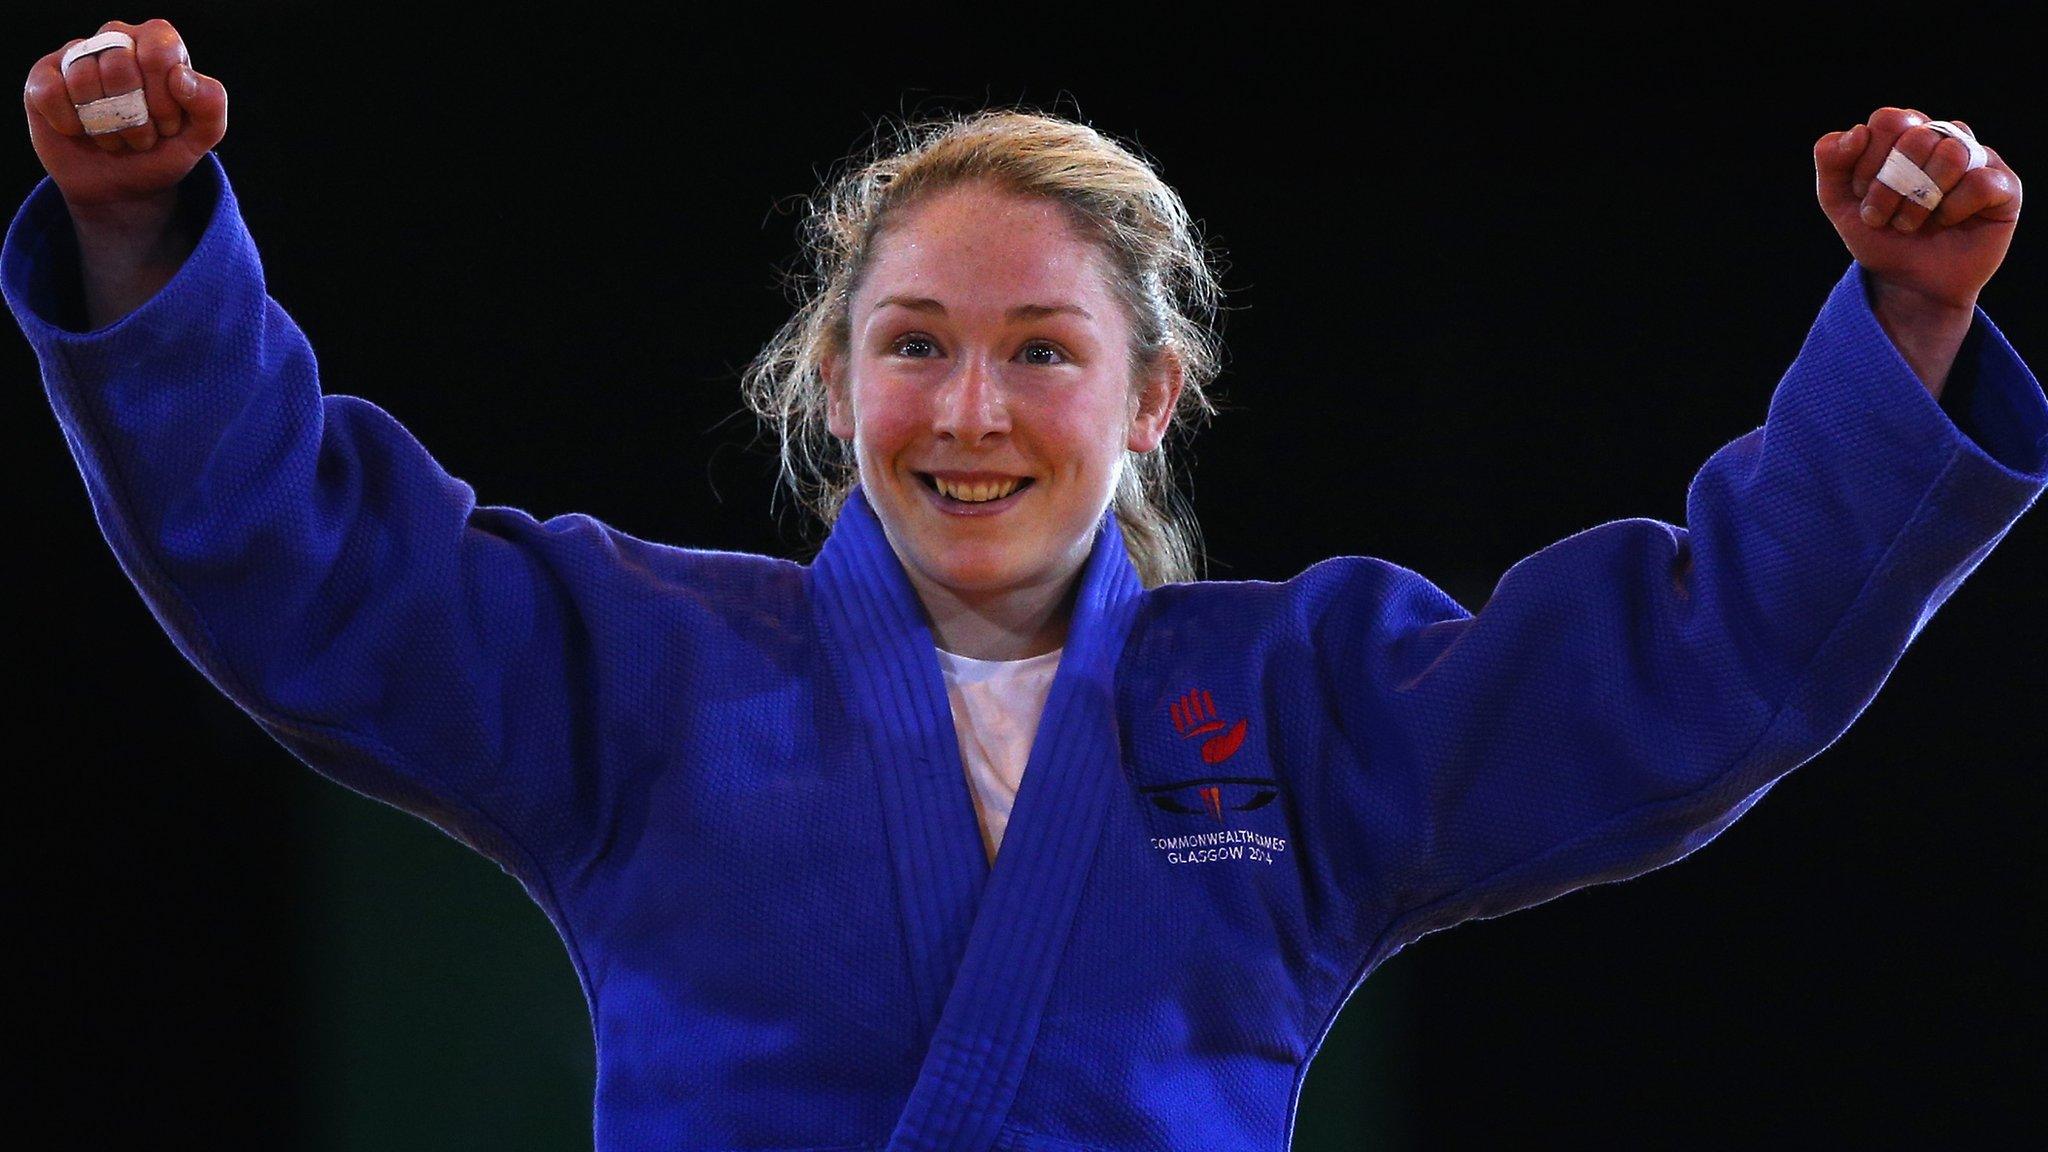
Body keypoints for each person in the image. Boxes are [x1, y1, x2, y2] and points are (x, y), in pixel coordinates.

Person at [11, 17, 2043, 1152]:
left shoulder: (1302, 710)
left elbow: (1701, 667)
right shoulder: (644, 675)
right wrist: (141, 242)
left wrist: (1903, 325)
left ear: (1150, 399)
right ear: (832, 379)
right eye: (909, 341)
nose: (968, 407)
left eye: (1043, 351)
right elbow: (302, 570)